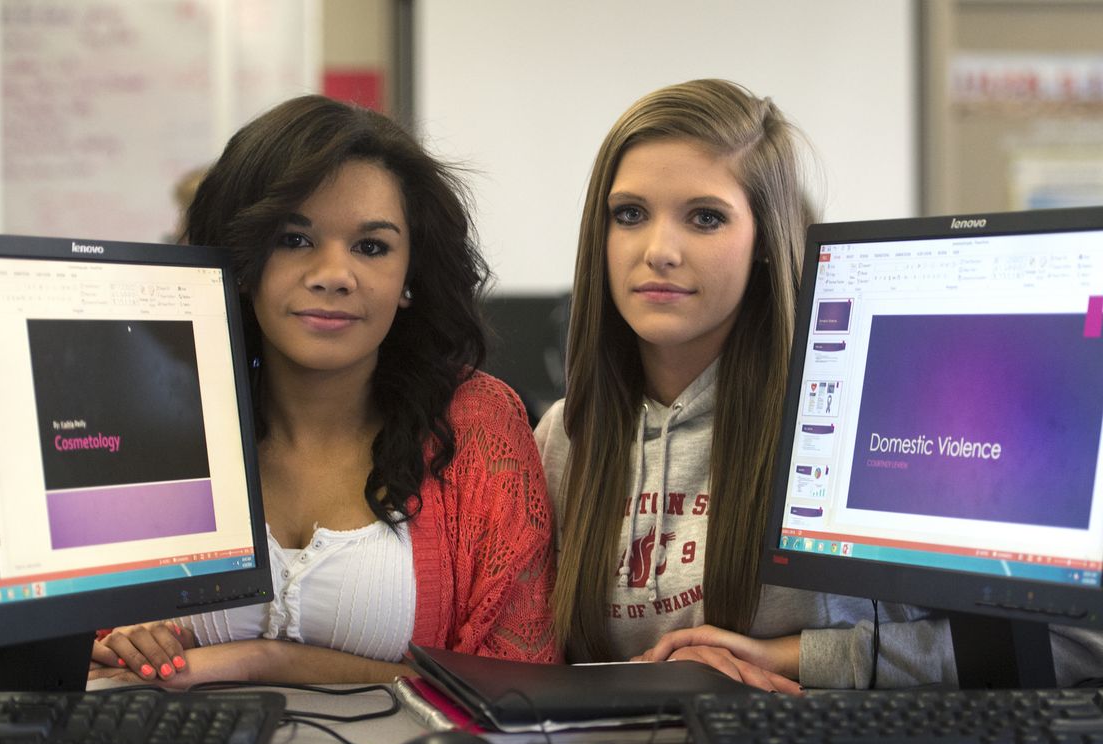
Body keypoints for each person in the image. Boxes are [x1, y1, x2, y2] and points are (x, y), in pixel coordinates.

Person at [534, 78, 1103, 691]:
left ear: (765, 243)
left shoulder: (855, 415)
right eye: (630, 214)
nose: (659, 250)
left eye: (705, 217)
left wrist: (791, 656)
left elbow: (1076, 644)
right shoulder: (564, 438)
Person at [92, 95, 559, 686]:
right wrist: (122, 643)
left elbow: (517, 680)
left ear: (410, 277)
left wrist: (266, 658)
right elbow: (68, 648)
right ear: (242, 260)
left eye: (371, 246)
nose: (334, 275)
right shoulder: (157, 411)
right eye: (294, 239)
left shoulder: (477, 424)